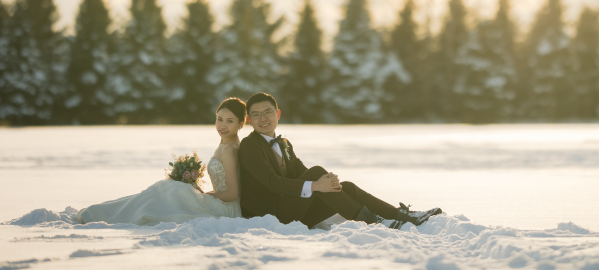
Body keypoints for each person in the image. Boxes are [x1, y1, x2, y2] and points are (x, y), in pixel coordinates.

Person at [239, 92, 442, 229]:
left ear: (278, 114)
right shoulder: (250, 145)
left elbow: (302, 170)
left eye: (268, 112)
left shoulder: (283, 142)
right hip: (271, 216)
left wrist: (327, 182)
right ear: (249, 120)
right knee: (318, 173)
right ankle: (373, 220)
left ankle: (402, 216)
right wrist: (317, 182)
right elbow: (272, 183)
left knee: (348, 187)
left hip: (294, 210)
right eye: (256, 115)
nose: (263, 119)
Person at [76, 98, 246, 226]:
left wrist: (202, 196)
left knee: (169, 190)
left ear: (241, 123)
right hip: (219, 201)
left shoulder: (229, 150)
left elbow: (232, 194)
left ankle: (102, 215)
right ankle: (104, 213)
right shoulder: (225, 144)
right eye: (219, 119)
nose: (222, 125)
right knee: (166, 189)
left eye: (230, 121)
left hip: (226, 209)